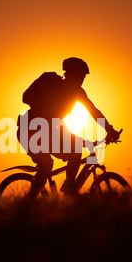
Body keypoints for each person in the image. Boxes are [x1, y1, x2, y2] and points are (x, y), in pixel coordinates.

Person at [17, 57, 121, 197]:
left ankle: (68, 189)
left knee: (75, 148)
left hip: (49, 131)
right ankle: (30, 202)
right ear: (72, 74)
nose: (82, 79)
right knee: (47, 165)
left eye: (83, 77)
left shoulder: (77, 92)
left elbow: (94, 111)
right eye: (81, 76)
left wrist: (110, 130)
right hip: (29, 130)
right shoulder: (54, 85)